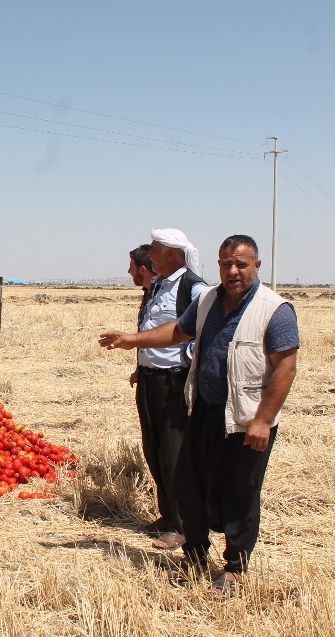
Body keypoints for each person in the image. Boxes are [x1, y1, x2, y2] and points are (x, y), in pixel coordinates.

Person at [99, 234, 299, 598]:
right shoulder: (208, 300)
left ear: (257, 265)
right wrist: (133, 340)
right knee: (189, 486)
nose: (233, 270)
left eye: (241, 263)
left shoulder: (275, 309)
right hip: (205, 410)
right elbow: (178, 331)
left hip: (244, 420)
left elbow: (285, 368)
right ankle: (193, 556)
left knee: (240, 493)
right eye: (226, 263)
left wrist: (262, 421)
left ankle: (235, 568)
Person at [114, 231, 207, 551]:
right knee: (153, 449)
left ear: (171, 253)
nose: (149, 255)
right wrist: (142, 366)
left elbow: (200, 332)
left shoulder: (193, 287)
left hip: (175, 380)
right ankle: (167, 516)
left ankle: (183, 525)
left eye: (154, 249)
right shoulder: (159, 286)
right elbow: (151, 328)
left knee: (173, 454)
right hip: (152, 378)